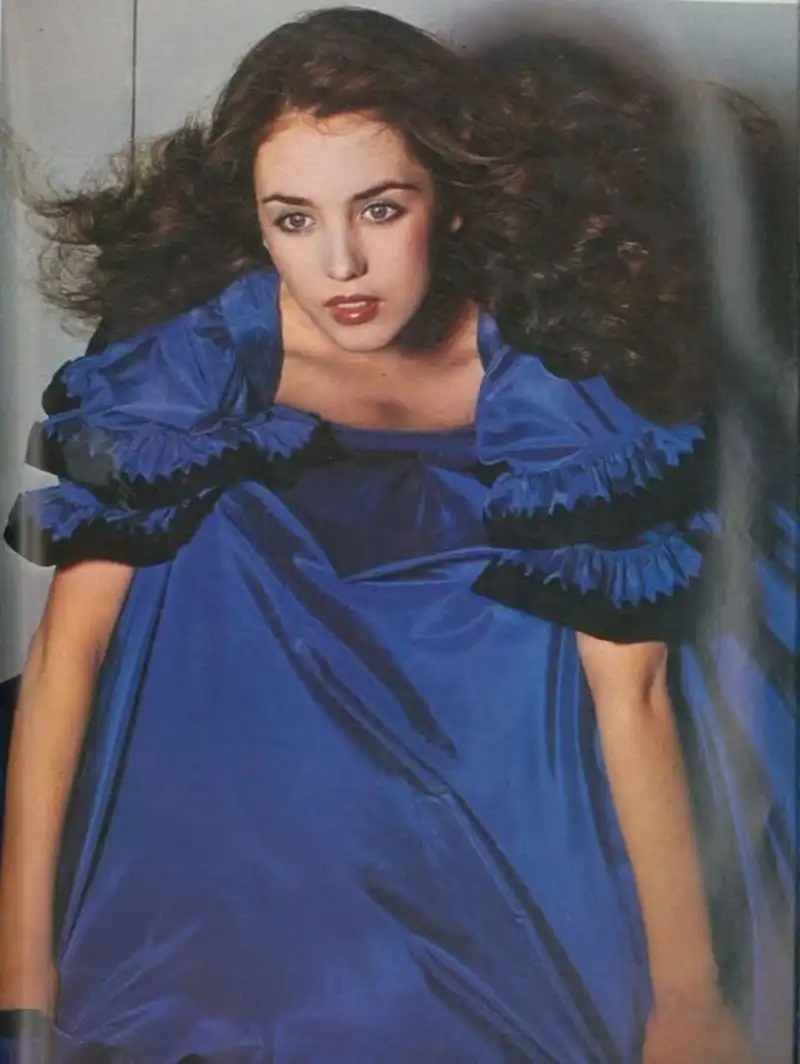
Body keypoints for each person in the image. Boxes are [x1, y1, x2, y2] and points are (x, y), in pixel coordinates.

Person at [0, 7, 792, 1062]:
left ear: (448, 204)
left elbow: (631, 691)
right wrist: (23, 982)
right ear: (254, 221)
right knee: (212, 532)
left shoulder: (556, 362)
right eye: (292, 219)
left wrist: (687, 1000)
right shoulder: (192, 353)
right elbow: (71, 652)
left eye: (379, 209)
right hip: (256, 786)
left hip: (508, 760)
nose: (340, 263)